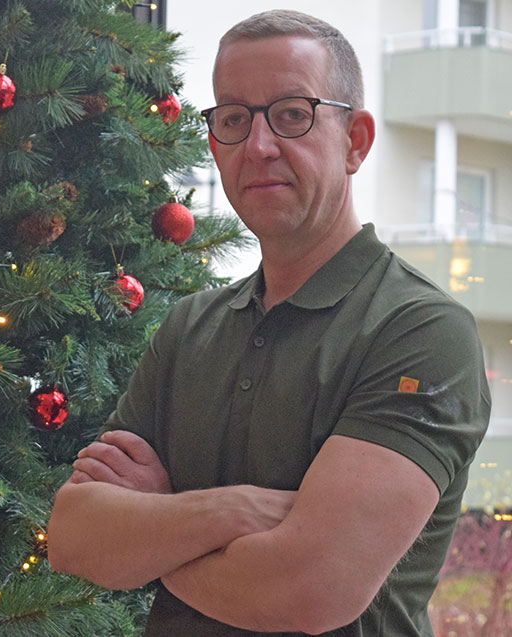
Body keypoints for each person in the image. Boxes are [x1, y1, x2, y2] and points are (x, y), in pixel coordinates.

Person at [47, 9, 491, 636]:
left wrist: (155, 531)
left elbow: (309, 590)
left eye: (291, 114)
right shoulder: (188, 327)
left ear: (356, 141)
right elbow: (74, 537)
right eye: (234, 119)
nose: (258, 146)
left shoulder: (419, 331)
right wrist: (231, 511)